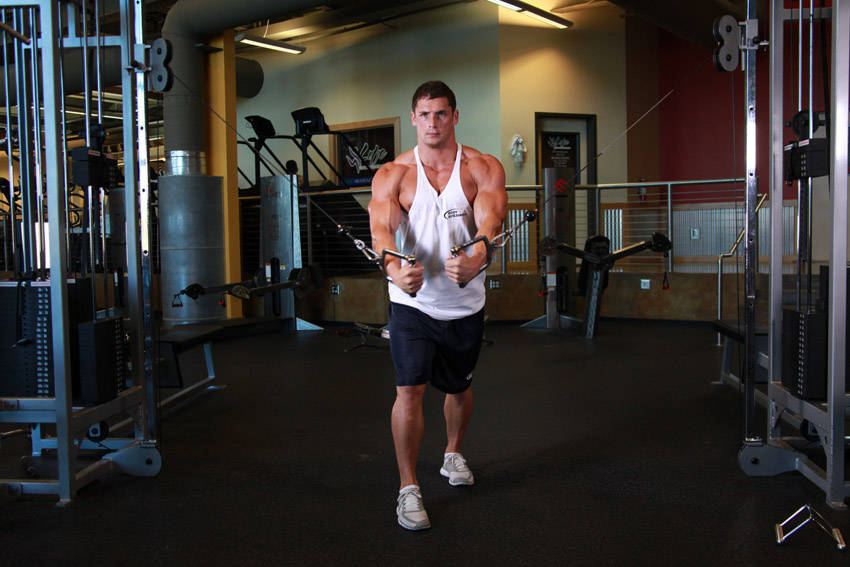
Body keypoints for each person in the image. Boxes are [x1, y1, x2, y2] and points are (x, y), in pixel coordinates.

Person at [368, 80, 507, 531]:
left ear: (455, 117)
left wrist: (477, 258)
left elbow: (491, 222)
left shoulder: (482, 167)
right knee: (408, 390)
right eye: (425, 115)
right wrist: (393, 268)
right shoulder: (394, 173)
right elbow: (381, 230)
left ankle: (452, 453)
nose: (433, 123)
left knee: (458, 388)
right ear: (413, 118)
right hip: (412, 304)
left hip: (465, 304)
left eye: (441, 114)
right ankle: (408, 487)